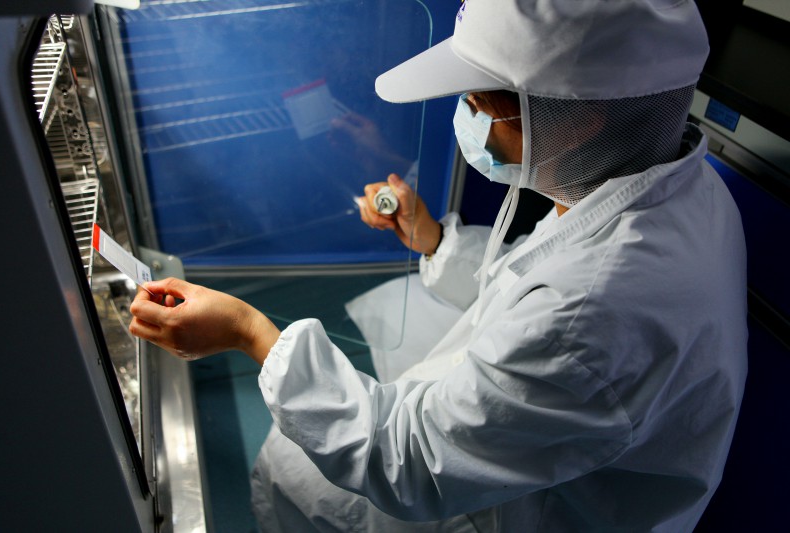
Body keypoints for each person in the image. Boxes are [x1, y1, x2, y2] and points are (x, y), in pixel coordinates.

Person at [129, 0, 748, 531]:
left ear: (578, 120)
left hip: (539, 509)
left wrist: (249, 332)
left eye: (479, 104)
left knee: (297, 471)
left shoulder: (595, 308)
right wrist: (434, 241)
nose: (467, 120)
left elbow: (406, 464)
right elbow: (538, 277)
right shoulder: (673, 182)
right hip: (563, 432)